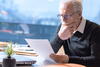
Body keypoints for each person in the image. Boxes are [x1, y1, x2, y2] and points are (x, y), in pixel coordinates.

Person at [50, 0, 100, 67]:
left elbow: (96, 61)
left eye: (66, 15)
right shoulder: (62, 27)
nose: (63, 20)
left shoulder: (95, 30)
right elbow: (49, 53)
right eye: (60, 15)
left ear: (79, 14)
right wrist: (59, 37)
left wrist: (68, 59)